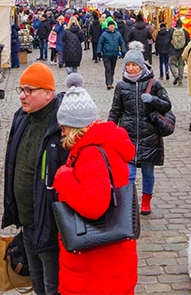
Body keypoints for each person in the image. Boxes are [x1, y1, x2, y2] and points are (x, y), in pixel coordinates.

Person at [53, 74, 138, 295]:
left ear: (74, 127)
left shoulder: (91, 154)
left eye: (64, 129)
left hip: (95, 270)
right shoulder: (104, 145)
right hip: (110, 264)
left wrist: (64, 178)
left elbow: (94, 204)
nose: (62, 134)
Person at [3, 63, 68, 295]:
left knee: (53, 285)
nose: (22, 95)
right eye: (21, 89)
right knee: (36, 279)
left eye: (30, 90)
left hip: (49, 222)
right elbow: (13, 162)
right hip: (26, 219)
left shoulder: (61, 125)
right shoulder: (21, 117)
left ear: (48, 93)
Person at [108, 49, 171, 215]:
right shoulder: (121, 86)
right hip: (127, 135)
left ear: (141, 65)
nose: (130, 68)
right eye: (128, 65)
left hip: (149, 135)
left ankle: (146, 200)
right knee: (129, 173)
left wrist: (153, 100)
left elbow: (167, 105)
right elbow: (115, 110)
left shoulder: (154, 84)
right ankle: (129, 201)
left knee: (148, 172)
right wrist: (109, 130)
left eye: (134, 65)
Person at [96, 20, 125, 89]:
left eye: (113, 25)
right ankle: (108, 83)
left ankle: (111, 81)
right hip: (106, 54)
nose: (112, 26)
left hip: (114, 54)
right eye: (110, 25)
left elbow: (122, 43)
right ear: (108, 26)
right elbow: (100, 43)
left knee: (112, 69)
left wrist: (123, 51)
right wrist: (99, 51)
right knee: (108, 69)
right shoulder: (104, 35)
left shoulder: (118, 34)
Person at [168, 20, 190, 86]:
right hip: (182, 51)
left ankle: (175, 75)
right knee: (181, 65)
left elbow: (168, 40)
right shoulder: (185, 32)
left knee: (171, 64)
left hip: (173, 51)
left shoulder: (171, 31)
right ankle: (180, 81)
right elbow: (188, 42)